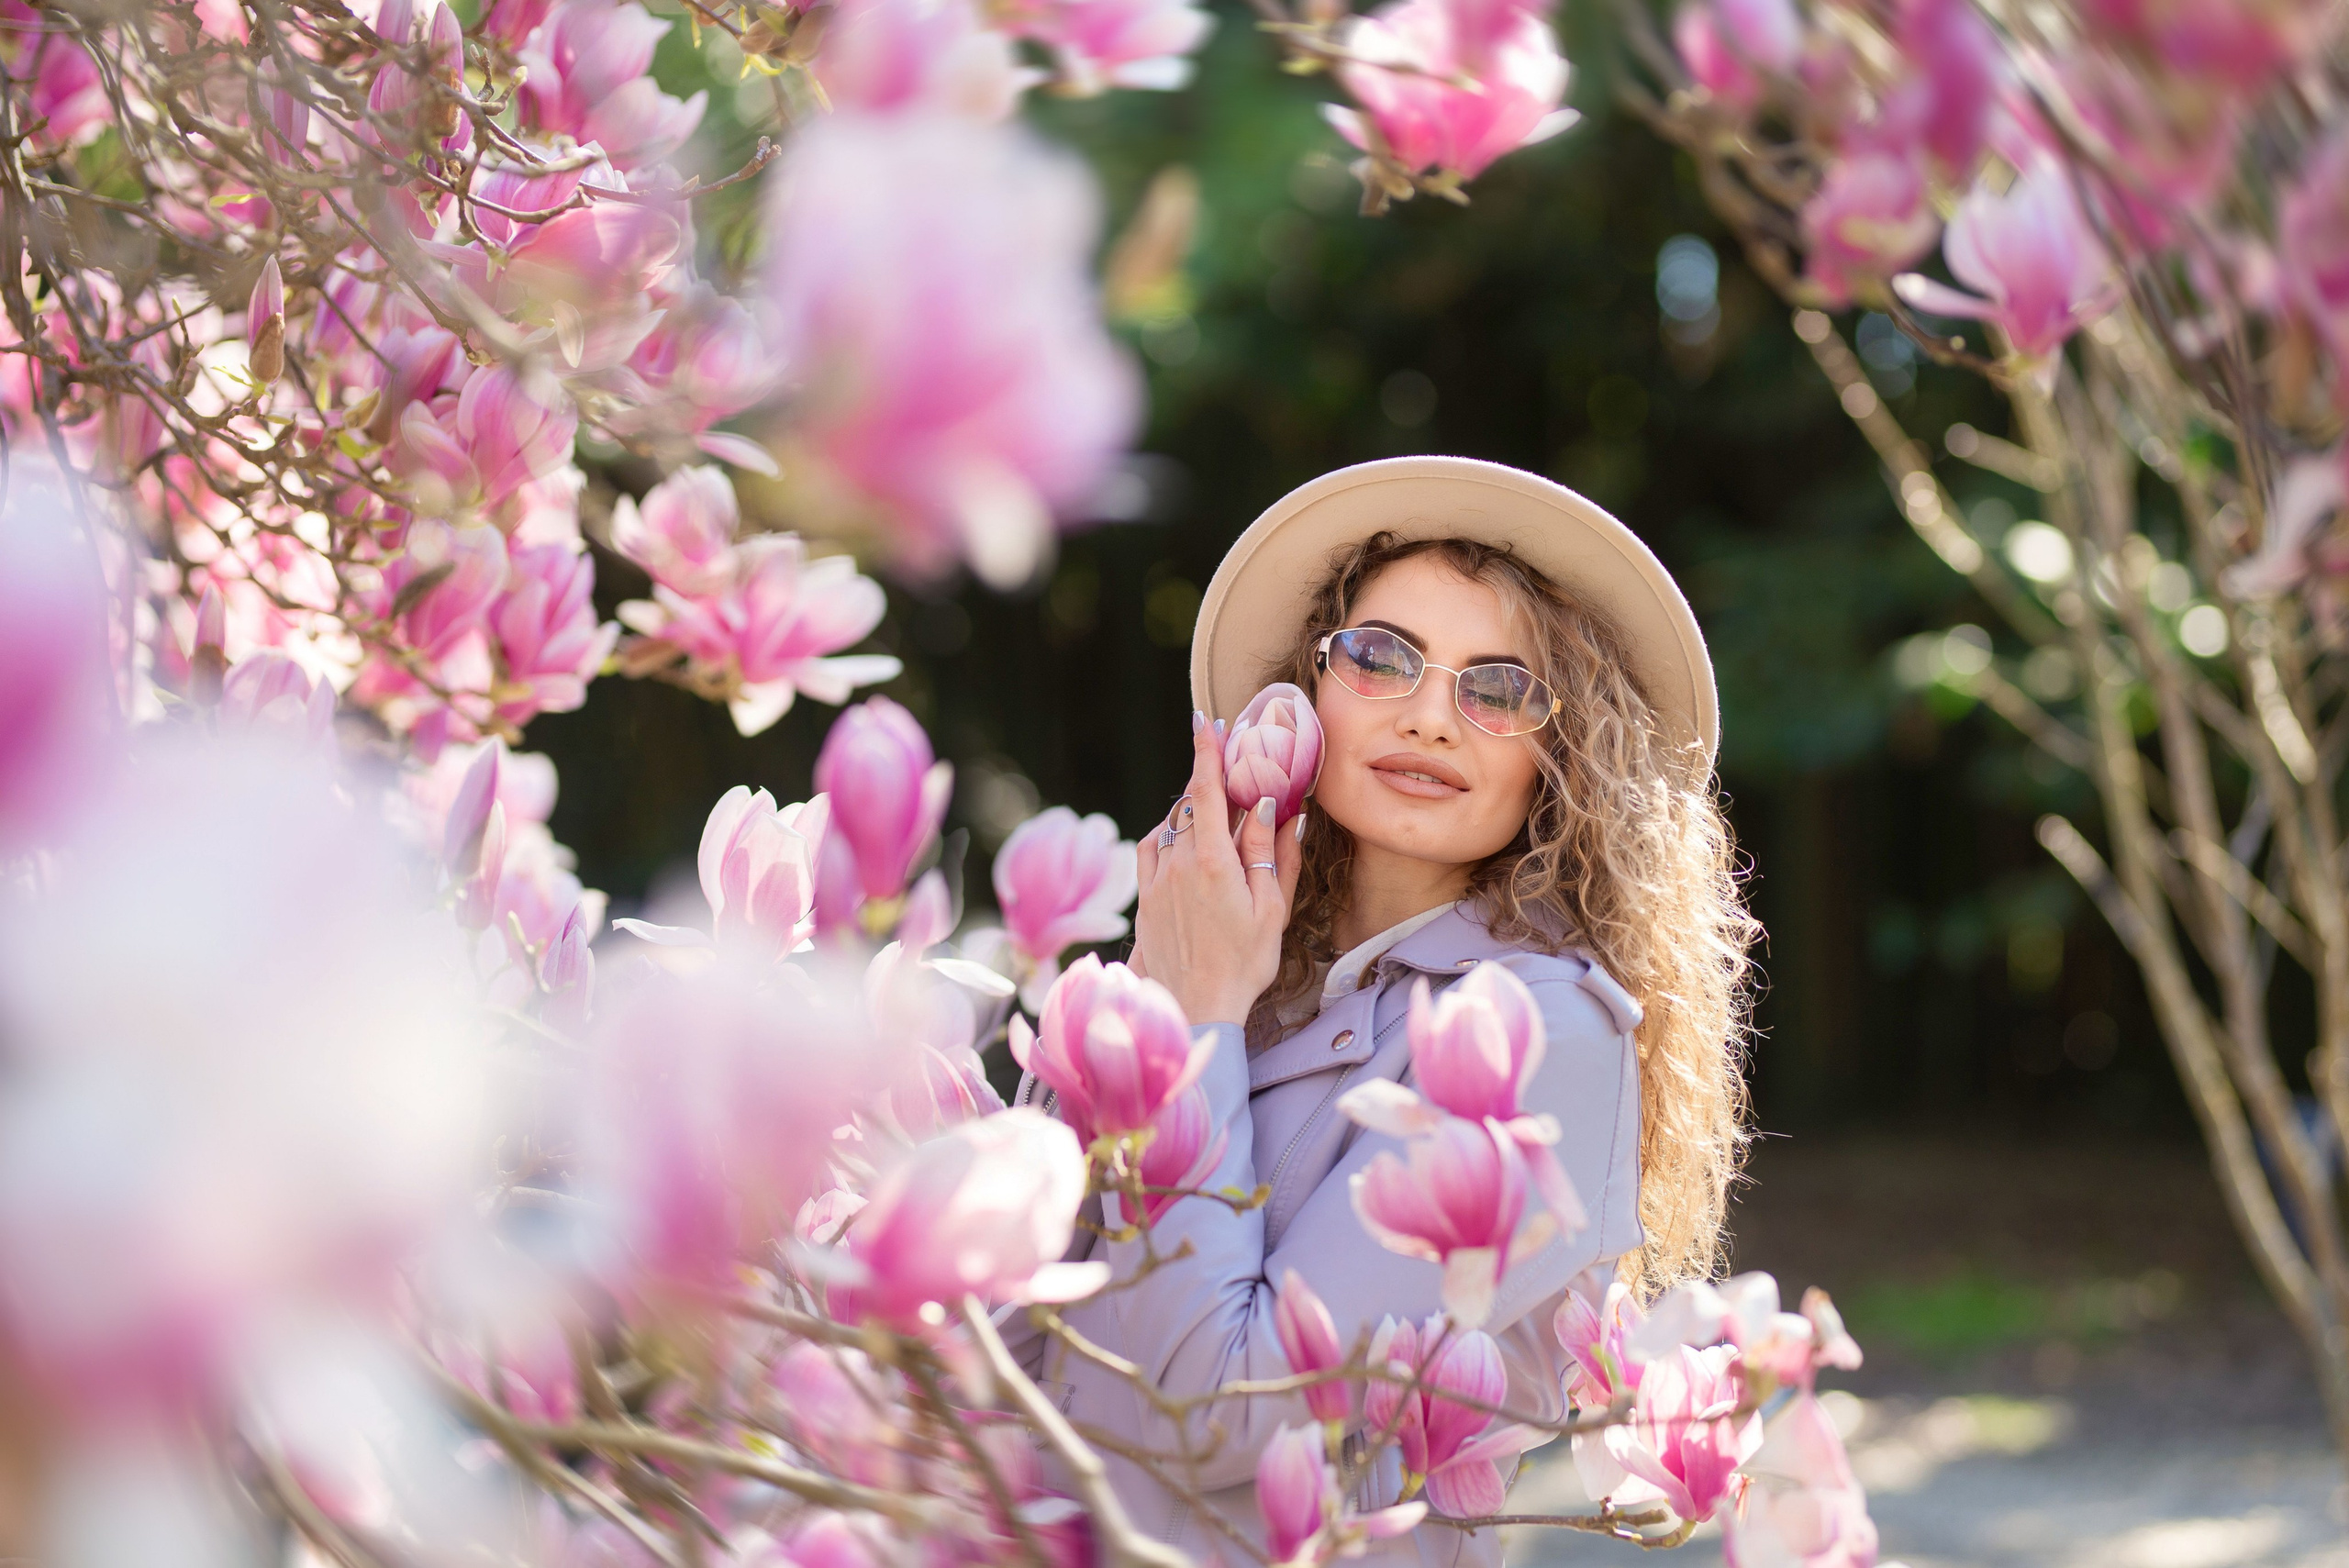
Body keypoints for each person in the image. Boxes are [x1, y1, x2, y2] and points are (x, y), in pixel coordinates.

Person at [1015, 456, 1754, 1564]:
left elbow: (1230, 1411)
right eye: (1380, 657)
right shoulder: (1232, 961)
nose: (1429, 715)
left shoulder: (1548, 1029)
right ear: (1308, 691)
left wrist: (1197, 1015)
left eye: (1499, 687)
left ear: (1564, 756)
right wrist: (1180, 991)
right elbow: (1017, 1335)